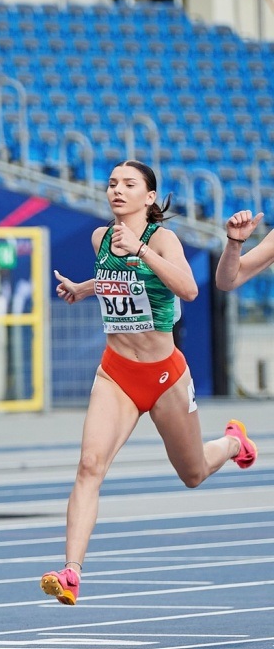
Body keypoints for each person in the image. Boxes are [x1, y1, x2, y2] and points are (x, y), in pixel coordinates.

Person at [44, 161, 256, 606]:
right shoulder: (100, 238)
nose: (117, 190)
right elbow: (113, 281)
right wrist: (84, 289)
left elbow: (190, 290)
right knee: (89, 466)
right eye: (111, 184)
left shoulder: (162, 239)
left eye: (129, 184)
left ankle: (234, 443)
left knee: (193, 473)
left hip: (163, 376)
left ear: (149, 198)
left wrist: (141, 251)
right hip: (115, 372)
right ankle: (71, 572)